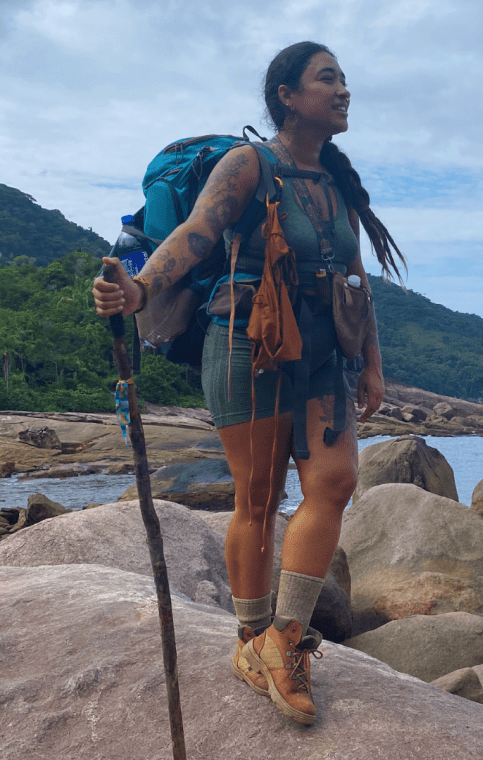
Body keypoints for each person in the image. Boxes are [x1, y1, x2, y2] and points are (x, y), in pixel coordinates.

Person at [92, 41, 403, 725]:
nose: (344, 90)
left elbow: (357, 282)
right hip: (247, 344)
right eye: (329, 80)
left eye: (345, 79)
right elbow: (199, 232)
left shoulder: (338, 182)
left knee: (335, 484)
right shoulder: (249, 164)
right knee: (258, 498)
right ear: (287, 96)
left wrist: (372, 364)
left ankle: (287, 639)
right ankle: (250, 638)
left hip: (328, 358)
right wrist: (140, 289)